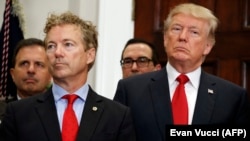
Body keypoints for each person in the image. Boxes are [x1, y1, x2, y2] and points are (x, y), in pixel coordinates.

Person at [113, 3, 249, 141]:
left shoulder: (231, 97)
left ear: (207, 46)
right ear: (165, 39)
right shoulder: (131, 90)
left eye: (194, 32)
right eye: (177, 29)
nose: (183, 37)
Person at [0, 11, 136, 141]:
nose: (58, 52)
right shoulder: (19, 113)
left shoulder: (116, 116)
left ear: (90, 55)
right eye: (51, 46)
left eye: (68, 45)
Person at [0, 38, 52, 122]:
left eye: (39, 64)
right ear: (13, 74)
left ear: (50, 75)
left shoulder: (60, 113)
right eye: (24, 63)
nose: (31, 70)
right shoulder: (3, 111)